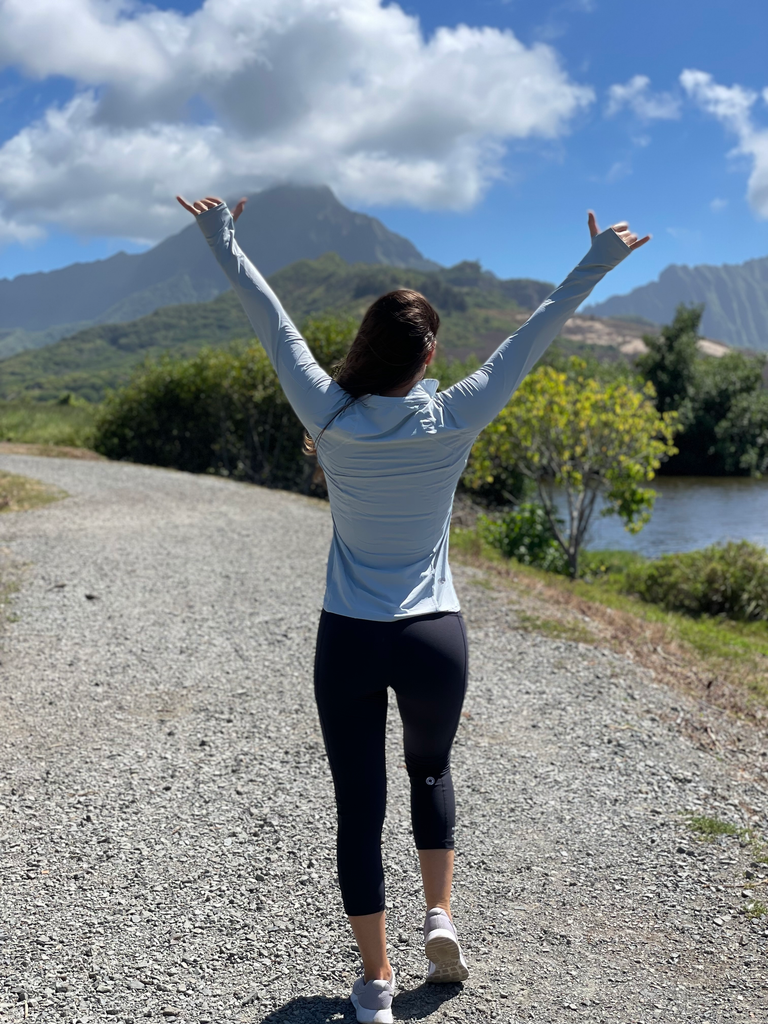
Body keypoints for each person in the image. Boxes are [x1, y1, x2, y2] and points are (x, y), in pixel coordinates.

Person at [177, 192, 649, 1024]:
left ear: (367, 344)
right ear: (429, 354)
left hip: (350, 639)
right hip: (435, 636)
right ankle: (440, 917)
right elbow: (533, 332)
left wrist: (223, 236)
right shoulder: (456, 413)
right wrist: (598, 260)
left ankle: (375, 983)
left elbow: (272, 321)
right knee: (430, 771)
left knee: (359, 810)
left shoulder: (327, 412)